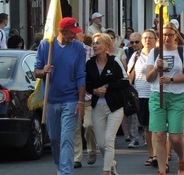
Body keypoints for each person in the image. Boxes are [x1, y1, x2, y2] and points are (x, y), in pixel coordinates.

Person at [34, 17, 86, 175]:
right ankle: (60, 166)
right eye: (72, 33)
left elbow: (80, 75)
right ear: (63, 31)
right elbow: (36, 71)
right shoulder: (45, 45)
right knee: (55, 138)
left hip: (70, 100)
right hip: (51, 100)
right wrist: (44, 71)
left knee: (67, 140)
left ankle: (65, 172)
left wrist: (81, 101)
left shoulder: (78, 48)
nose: (75, 36)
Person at [146, 22, 184, 175]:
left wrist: (171, 80)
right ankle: (161, 170)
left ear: (175, 36)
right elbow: (148, 78)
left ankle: (181, 158)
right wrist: (155, 68)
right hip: (157, 96)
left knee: (175, 137)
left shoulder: (182, 52)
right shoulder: (154, 53)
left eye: (170, 35)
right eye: (164, 35)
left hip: (176, 96)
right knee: (159, 135)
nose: (167, 38)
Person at [86, 33, 130, 175]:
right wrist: (94, 90)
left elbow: (125, 81)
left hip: (115, 106)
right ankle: (112, 164)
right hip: (97, 106)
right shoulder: (89, 64)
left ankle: (106, 171)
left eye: (97, 43)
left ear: (106, 46)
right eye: (93, 43)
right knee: (101, 143)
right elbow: (85, 84)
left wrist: (108, 87)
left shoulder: (114, 61)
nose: (94, 45)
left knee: (109, 139)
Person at [127, 29, 157, 166]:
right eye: (145, 38)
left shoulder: (159, 54)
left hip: (156, 93)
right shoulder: (136, 55)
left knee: (158, 126)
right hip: (142, 94)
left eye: (150, 37)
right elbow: (129, 76)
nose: (147, 40)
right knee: (147, 127)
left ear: (156, 40)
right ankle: (152, 155)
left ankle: (161, 153)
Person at [73, 32, 97, 169]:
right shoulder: (68, 51)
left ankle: (92, 150)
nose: (74, 38)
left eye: (77, 36)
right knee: (75, 128)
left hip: (88, 95)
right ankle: (77, 157)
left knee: (88, 125)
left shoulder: (90, 51)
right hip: (73, 95)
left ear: (82, 37)